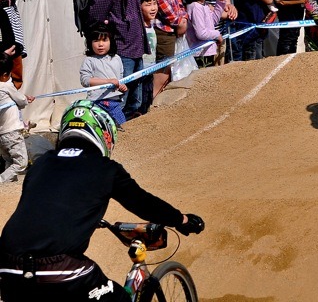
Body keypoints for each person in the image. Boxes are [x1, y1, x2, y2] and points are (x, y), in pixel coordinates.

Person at [0, 100, 203, 302]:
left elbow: (41, 204)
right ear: (103, 133)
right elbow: (143, 203)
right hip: (60, 268)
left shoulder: (42, 163)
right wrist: (181, 220)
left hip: (8, 265)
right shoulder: (106, 168)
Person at [86, 0, 149, 119]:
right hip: (121, 52)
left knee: (136, 104)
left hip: (135, 47)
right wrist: (114, 36)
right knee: (118, 107)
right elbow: (95, 14)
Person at [79, 22, 127, 127]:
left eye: (104, 40)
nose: (100, 44)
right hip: (96, 103)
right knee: (99, 129)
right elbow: (85, 80)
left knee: (123, 128)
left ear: (111, 41)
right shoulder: (89, 60)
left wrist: (122, 86)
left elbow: (120, 79)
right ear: (90, 43)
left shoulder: (116, 58)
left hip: (115, 103)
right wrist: (107, 82)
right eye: (96, 41)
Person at [183, 0, 226, 68]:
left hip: (207, 52)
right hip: (201, 55)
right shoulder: (195, 7)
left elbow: (213, 22)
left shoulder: (203, 4)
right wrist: (217, 34)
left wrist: (220, 1)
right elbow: (201, 33)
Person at [0, 53, 32, 183]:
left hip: (2, 134)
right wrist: (26, 99)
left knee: (9, 160)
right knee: (21, 163)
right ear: (5, 74)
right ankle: (1, 181)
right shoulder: (6, 85)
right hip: (12, 132)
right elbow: (21, 101)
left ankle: (8, 186)